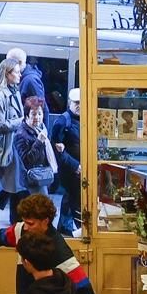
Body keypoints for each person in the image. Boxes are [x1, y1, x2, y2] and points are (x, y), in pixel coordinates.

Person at [0, 53, 28, 225]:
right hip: (7, 148)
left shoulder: (15, 92)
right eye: (17, 72)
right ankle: (15, 225)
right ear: (7, 74)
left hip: (15, 145)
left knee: (17, 187)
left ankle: (10, 218)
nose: (20, 75)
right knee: (17, 188)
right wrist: (20, 122)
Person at [47, 87, 84, 235]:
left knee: (73, 198)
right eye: (76, 102)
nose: (79, 105)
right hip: (69, 169)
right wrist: (75, 166)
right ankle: (69, 228)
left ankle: (66, 228)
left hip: (79, 167)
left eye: (81, 102)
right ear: (70, 102)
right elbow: (57, 151)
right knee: (73, 198)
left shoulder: (82, 119)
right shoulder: (62, 122)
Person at [17, 93, 60, 202]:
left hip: (43, 174)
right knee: (42, 209)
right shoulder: (21, 134)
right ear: (27, 115)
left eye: (40, 114)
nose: (38, 118)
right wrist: (39, 141)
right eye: (34, 114)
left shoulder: (40, 128)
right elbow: (27, 160)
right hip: (33, 178)